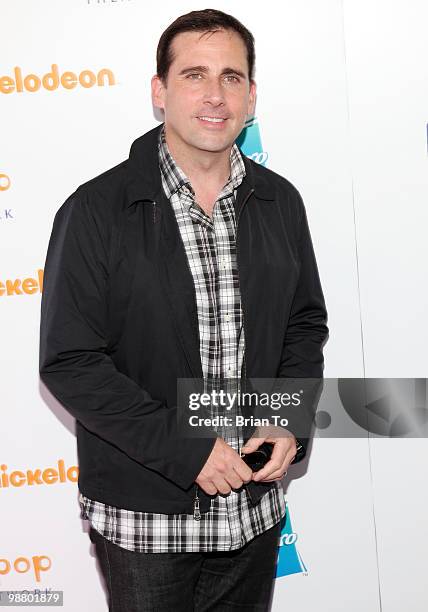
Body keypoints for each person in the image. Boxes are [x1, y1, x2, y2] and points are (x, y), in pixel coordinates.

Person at [39, 8, 328, 611]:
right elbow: (71, 362)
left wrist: (286, 416)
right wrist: (187, 449)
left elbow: (303, 324)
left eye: (231, 77)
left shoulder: (281, 201)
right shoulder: (96, 210)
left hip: (254, 509)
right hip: (146, 518)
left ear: (252, 96)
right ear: (159, 92)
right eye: (195, 75)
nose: (215, 94)